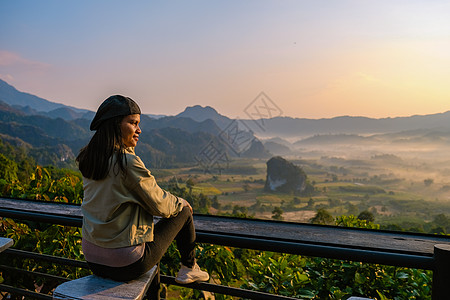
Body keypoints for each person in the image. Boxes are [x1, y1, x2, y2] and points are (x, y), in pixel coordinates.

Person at [76, 95, 209, 283]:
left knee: (148, 240)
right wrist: (181, 201)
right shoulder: (126, 163)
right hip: (125, 264)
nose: (139, 130)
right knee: (184, 211)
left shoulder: (90, 159)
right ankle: (189, 267)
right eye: (133, 123)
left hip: (93, 258)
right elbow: (160, 205)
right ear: (115, 125)